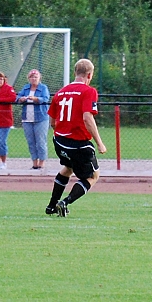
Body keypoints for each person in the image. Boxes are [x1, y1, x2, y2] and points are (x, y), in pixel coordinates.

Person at [45, 58, 108, 217]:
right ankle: (64, 203)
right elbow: (88, 117)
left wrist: (62, 132)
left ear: (75, 73)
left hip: (59, 141)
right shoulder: (89, 91)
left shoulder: (60, 92)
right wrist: (99, 143)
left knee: (68, 169)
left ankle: (51, 206)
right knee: (93, 176)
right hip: (78, 144)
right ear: (89, 75)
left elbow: (52, 121)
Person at [17, 69, 51, 170]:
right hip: (27, 118)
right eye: (32, 77)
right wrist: (21, 99)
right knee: (31, 141)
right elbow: (18, 97)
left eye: (35, 77)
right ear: (29, 78)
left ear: (39, 78)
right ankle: (34, 162)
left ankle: (42, 162)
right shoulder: (26, 88)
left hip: (40, 117)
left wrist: (36, 99)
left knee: (40, 141)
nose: (34, 79)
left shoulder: (43, 88)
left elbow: (45, 99)